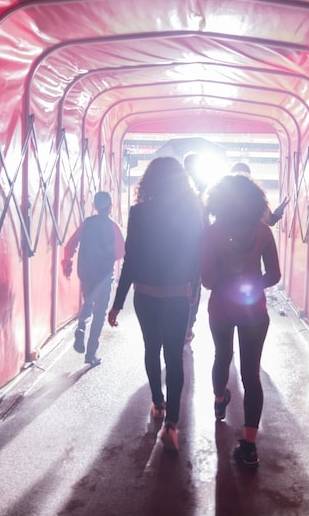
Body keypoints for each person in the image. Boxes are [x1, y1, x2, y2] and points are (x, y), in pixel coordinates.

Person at [108, 157, 203, 451]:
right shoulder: (191, 212)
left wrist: (117, 302)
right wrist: (194, 293)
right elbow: (195, 258)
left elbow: (131, 260)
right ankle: (172, 425)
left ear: (149, 181)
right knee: (175, 357)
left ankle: (157, 404)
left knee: (152, 349)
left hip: (146, 294)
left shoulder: (139, 213)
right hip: (177, 294)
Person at [201, 173, 281, 468]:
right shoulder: (263, 232)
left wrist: (226, 283)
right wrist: (252, 284)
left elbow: (207, 280)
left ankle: (220, 399)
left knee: (222, 355)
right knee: (251, 374)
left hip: (221, 309)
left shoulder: (212, 233)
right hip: (255, 313)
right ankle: (249, 445)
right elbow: (274, 275)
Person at [62, 191, 125, 366]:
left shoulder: (86, 224)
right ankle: (91, 354)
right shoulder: (113, 227)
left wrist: (68, 262)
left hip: (86, 272)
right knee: (99, 313)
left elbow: (70, 245)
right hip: (104, 275)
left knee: (88, 303)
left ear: (95, 206)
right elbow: (120, 252)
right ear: (110, 207)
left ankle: (81, 327)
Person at [183, 152, 208, 344]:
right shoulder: (202, 188)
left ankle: (182, 325)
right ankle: (189, 326)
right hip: (198, 247)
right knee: (195, 289)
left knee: (179, 286)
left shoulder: (177, 186)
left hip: (180, 246)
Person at [230, 161, 289, 227]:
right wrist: (277, 214)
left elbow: (270, 221)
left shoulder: (224, 197)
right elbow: (270, 221)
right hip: (254, 235)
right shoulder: (257, 196)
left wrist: (277, 213)